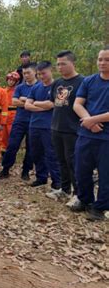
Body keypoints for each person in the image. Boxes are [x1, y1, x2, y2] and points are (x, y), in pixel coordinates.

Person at [72, 47, 109, 221]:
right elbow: (77, 104)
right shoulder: (89, 81)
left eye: (107, 60)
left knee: (105, 174)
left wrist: (93, 119)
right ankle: (85, 199)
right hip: (86, 134)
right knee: (81, 169)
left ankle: (100, 207)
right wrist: (89, 120)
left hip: (106, 137)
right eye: (100, 59)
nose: (102, 63)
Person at [45, 51, 84, 201]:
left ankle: (78, 193)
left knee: (73, 161)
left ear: (73, 63)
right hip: (56, 127)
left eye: (63, 64)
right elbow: (53, 102)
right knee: (61, 160)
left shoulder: (82, 82)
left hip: (73, 129)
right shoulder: (57, 83)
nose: (60, 67)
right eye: (58, 64)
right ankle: (65, 189)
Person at [0, 63, 37, 181]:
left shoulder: (39, 86)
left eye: (28, 73)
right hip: (19, 120)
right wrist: (30, 102)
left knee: (31, 148)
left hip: (33, 121)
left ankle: (26, 171)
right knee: (12, 145)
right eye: (24, 73)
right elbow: (14, 102)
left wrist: (24, 100)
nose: (26, 75)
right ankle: (5, 169)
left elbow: (41, 102)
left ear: (34, 72)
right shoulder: (20, 87)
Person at [24, 61, 60, 189]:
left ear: (51, 71)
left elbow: (52, 104)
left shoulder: (57, 86)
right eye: (39, 74)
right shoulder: (36, 87)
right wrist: (43, 105)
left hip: (49, 125)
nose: (41, 76)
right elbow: (27, 105)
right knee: (36, 153)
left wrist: (36, 103)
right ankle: (41, 177)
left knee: (51, 153)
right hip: (34, 125)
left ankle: (57, 180)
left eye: (43, 73)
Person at [1, 72, 20, 157]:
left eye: (13, 80)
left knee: (12, 137)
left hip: (14, 115)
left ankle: (11, 155)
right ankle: (3, 155)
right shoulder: (3, 91)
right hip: (4, 115)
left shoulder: (18, 91)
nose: (11, 82)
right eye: (10, 80)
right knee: (2, 137)